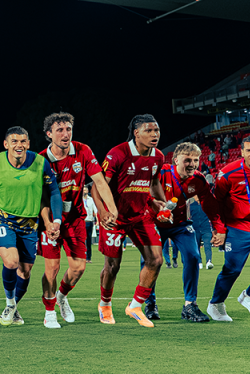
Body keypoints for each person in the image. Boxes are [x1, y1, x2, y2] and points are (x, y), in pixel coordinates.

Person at [37, 113, 118, 328]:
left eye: (68, 129)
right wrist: (48, 223)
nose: (66, 134)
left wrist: (112, 210)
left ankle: (61, 296)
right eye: (60, 130)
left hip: (75, 219)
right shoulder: (41, 160)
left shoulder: (83, 150)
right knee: (52, 268)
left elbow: (100, 181)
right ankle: (49, 311)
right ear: (49, 134)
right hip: (50, 221)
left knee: (78, 268)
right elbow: (41, 198)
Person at [0, 126, 63, 328]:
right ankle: (10, 304)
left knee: (25, 272)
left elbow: (54, 192)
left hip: (29, 224)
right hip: (2, 219)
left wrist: (56, 221)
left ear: (28, 143)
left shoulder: (40, 163)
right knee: (11, 262)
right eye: (14, 141)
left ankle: (13, 307)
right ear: (6, 144)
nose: (19, 145)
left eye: (23, 141)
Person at [97, 115, 167, 327]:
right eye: (149, 131)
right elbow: (98, 186)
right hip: (115, 217)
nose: (155, 134)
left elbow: (154, 182)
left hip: (140, 215)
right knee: (112, 266)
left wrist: (161, 204)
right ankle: (105, 304)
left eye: (157, 130)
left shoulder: (158, 156)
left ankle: (135, 306)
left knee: (156, 259)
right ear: (136, 133)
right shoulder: (118, 153)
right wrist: (103, 212)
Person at [146, 142, 223, 322]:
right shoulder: (161, 173)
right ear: (175, 160)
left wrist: (218, 228)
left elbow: (210, 205)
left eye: (196, 160)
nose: (192, 164)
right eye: (187, 160)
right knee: (149, 262)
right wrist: (155, 208)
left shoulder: (198, 179)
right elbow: (142, 192)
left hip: (180, 224)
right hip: (154, 223)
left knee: (193, 256)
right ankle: (149, 303)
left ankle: (190, 305)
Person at [206, 135, 250, 322]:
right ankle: (216, 304)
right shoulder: (227, 173)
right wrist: (219, 229)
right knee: (232, 270)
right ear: (242, 152)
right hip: (237, 227)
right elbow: (216, 203)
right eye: (249, 150)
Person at [189, 198, 214, 270]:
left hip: (206, 227)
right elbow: (189, 216)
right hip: (195, 228)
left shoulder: (206, 204)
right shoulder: (191, 205)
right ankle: (199, 262)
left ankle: (208, 261)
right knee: (196, 246)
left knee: (207, 245)